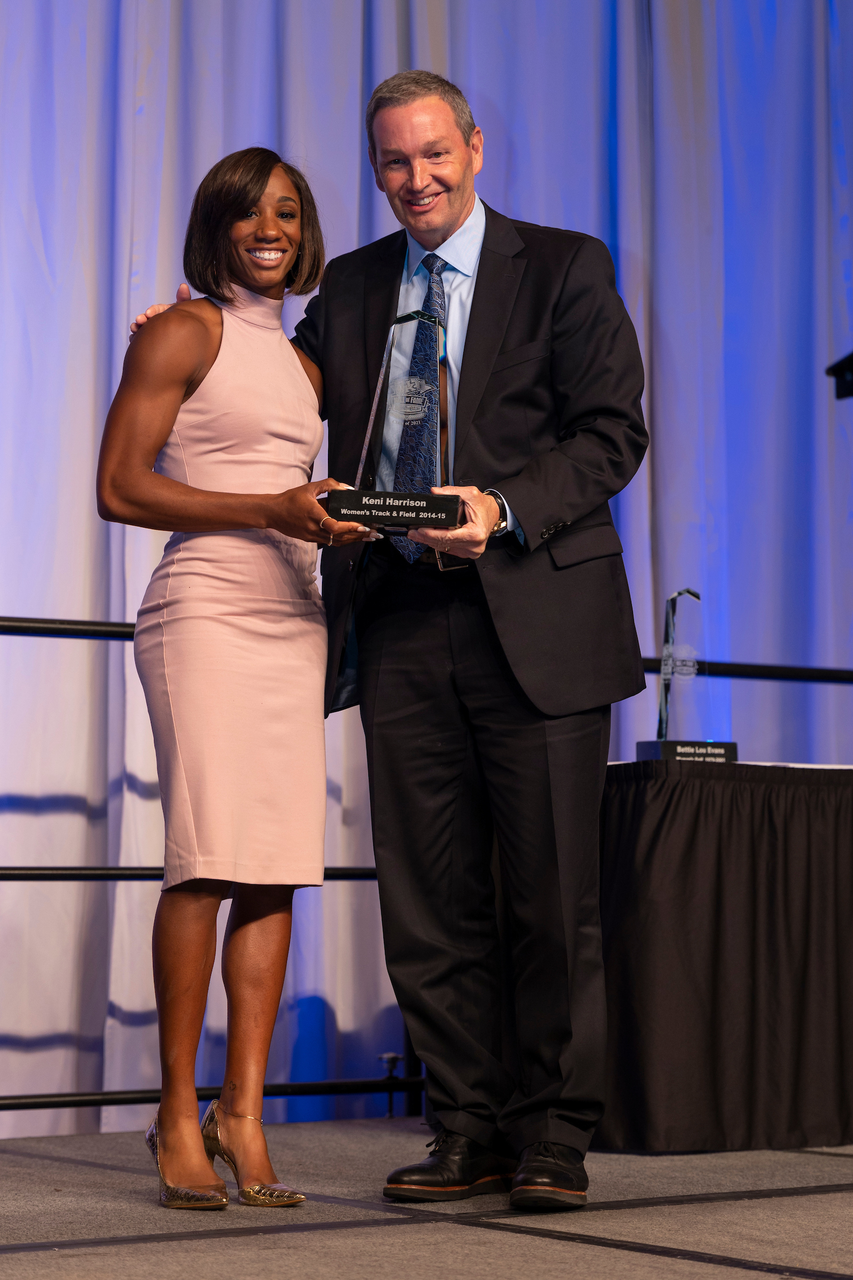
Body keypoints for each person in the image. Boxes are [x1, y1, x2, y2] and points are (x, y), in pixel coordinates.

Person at [135, 70, 648, 1213]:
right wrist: (183, 335)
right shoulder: (357, 286)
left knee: (549, 891)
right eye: (391, 164)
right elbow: (270, 374)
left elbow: (613, 432)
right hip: (401, 618)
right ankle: (462, 1123)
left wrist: (501, 509)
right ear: (375, 171)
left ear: (472, 147)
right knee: (426, 893)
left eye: (432, 155)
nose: (414, 180)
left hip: (537, 614)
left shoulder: (565, 266)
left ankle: (552, 1134)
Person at [98, 147, 373, 1210]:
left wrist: (328, 515)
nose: (272, 226)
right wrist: (267, 506)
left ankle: (243, 1109)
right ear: (215, 226)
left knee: (273, 865)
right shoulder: (182, 331)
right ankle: (175, 1107)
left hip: (291, 614)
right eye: (252, 211)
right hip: (205, 609)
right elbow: (121, 486)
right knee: (206, 858)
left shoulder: (308, 366)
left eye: (290, 212)